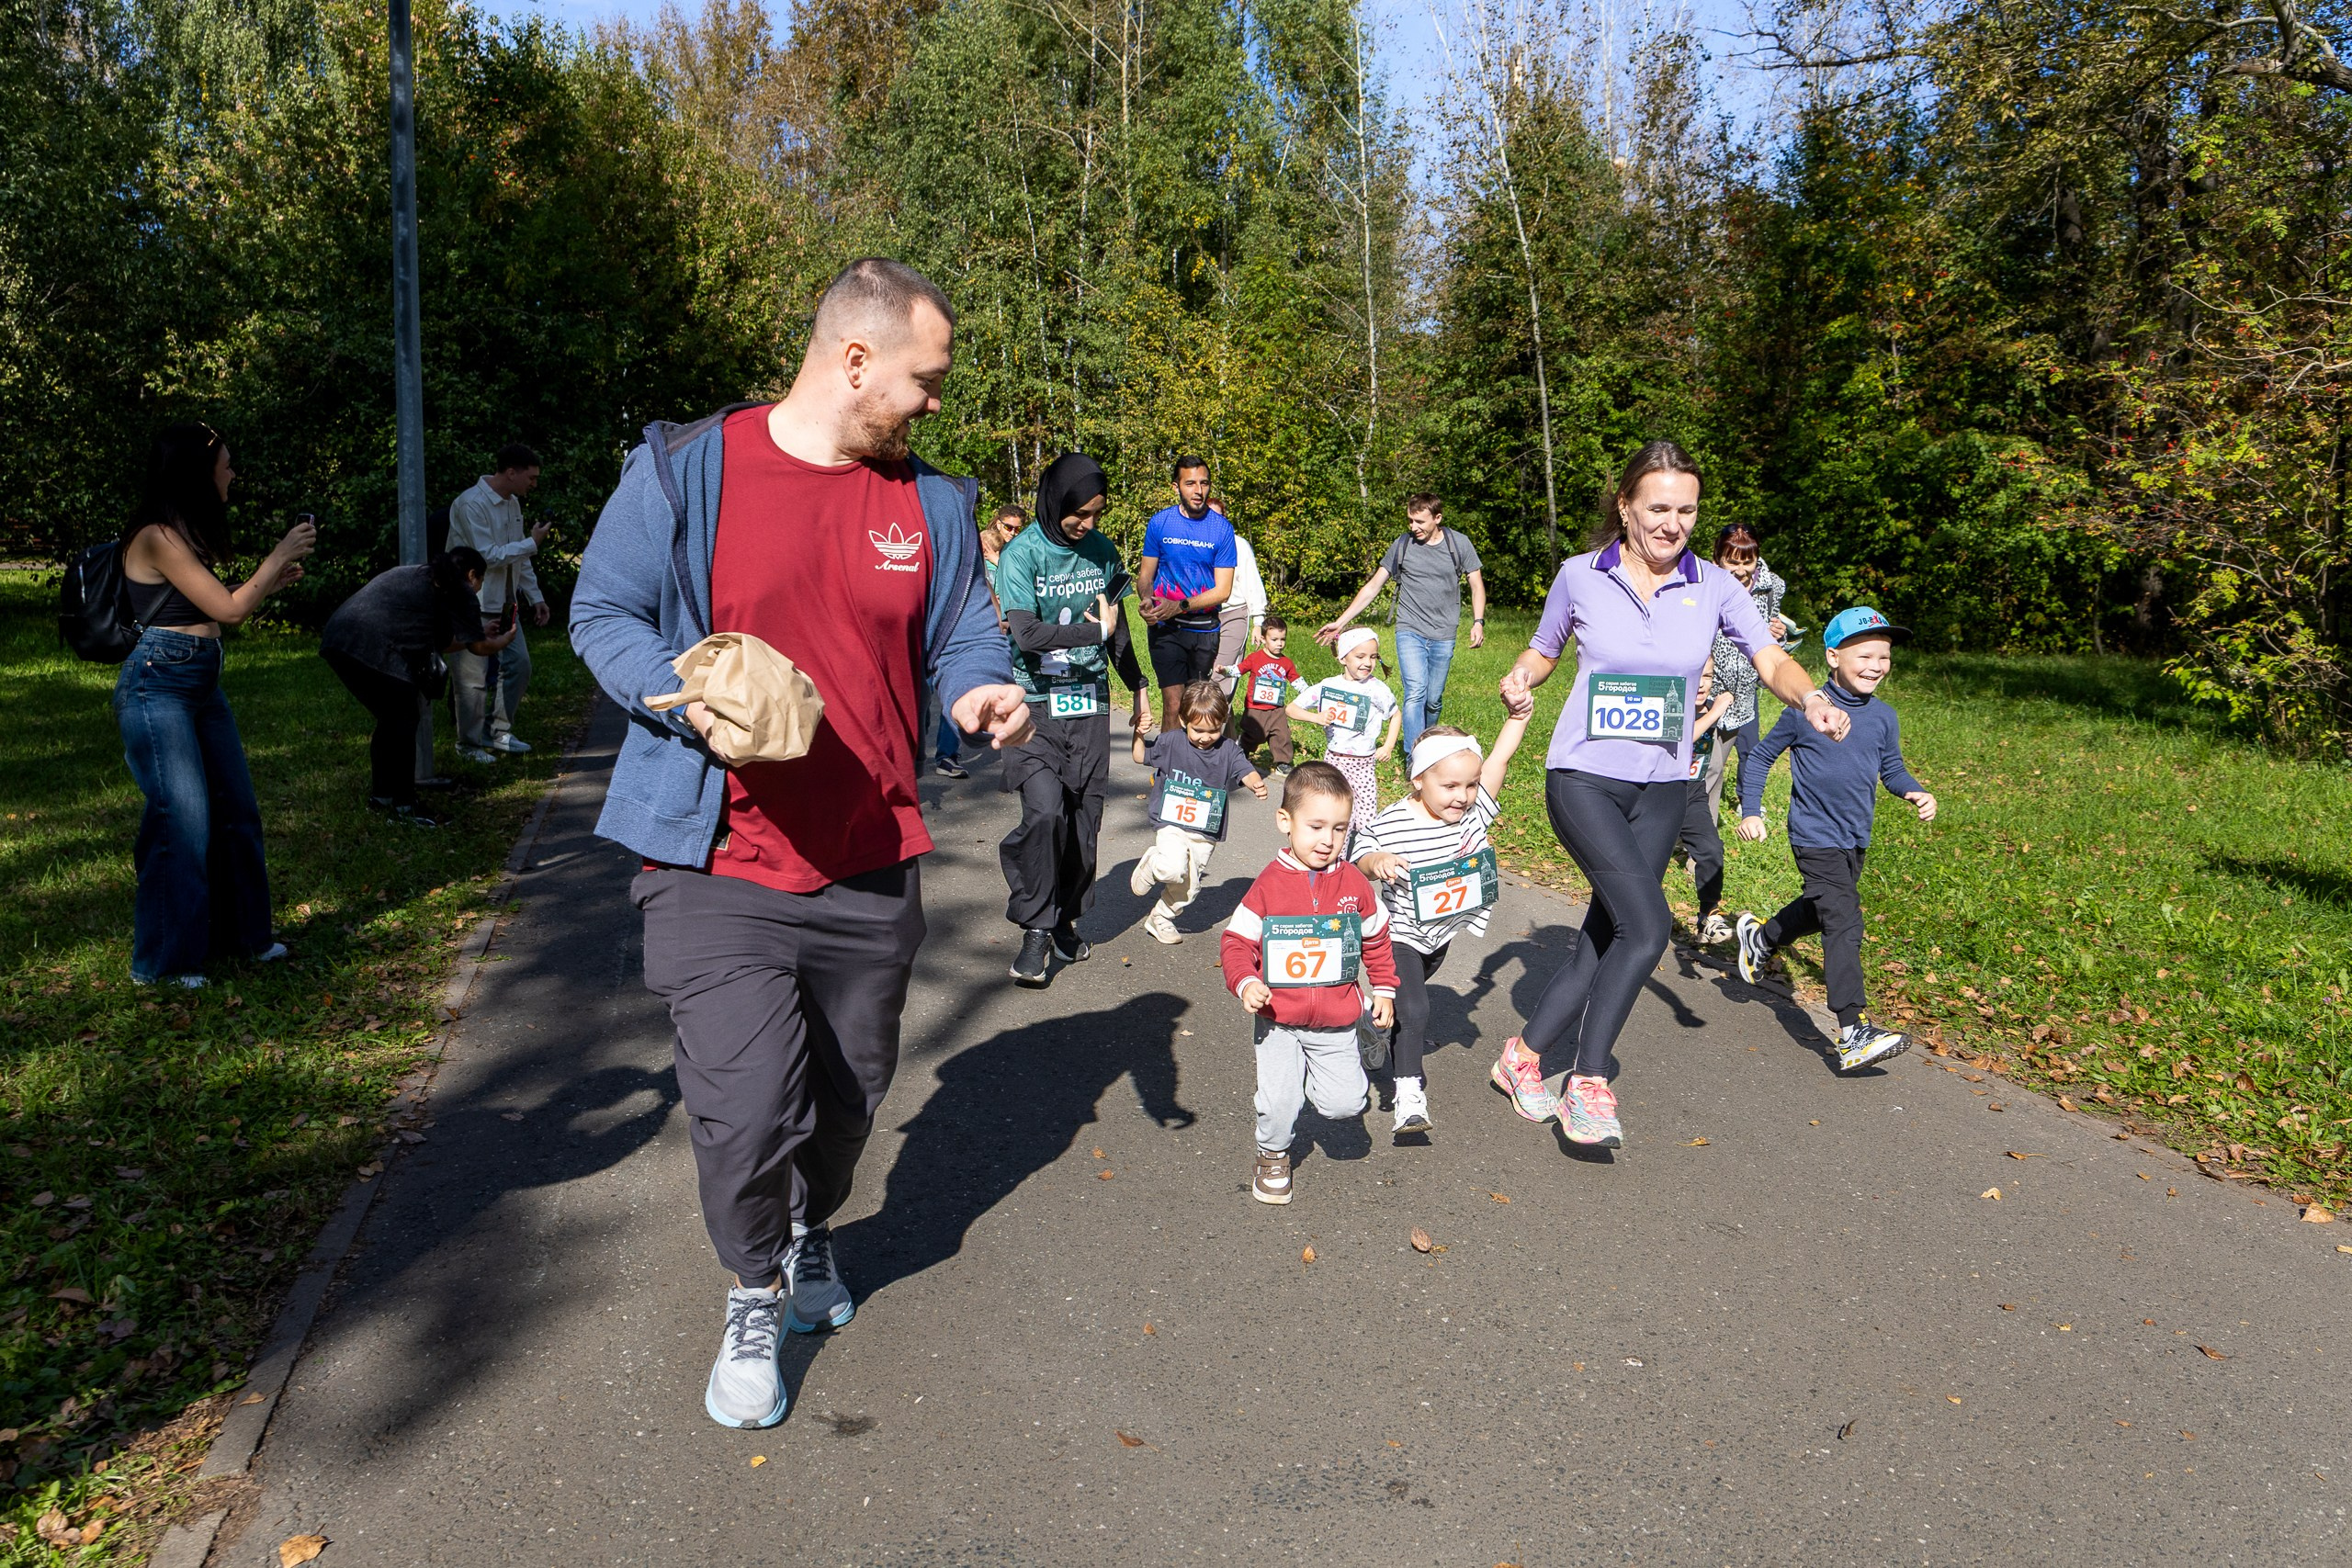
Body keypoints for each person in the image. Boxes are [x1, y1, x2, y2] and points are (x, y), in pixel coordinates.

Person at [569, 257, 1029, 1431]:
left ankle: (811, 1226)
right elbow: (602, 612)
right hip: (715, 857)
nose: (935, 401)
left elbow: (963, 634)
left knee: (848, 1095)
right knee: (743, 1105)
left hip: (870, 858)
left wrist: (979, 691)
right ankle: (751, 1288)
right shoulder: (685, 469)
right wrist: (677, 697)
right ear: (855, 359)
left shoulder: (932, 505)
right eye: (925, 378)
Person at [1490, 440, 1847, 1149]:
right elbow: (1544, 648)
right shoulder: (1580, 575)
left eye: (1686, 510)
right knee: (1649, 927)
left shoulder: (1714, 585)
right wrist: (1520, 676)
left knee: (1607, 934)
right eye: (1658, 508)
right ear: (1626, 505)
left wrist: (1810, 697)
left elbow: (1769, 656)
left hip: (1661, 787)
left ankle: (1522, 1057)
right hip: (1584, 778)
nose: (1673, 523)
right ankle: (1589, 1081)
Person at [114, 423, 316, 988]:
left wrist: (270, 581)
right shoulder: (156, 535)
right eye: (225, 464)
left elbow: (214, 607)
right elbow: (228, 610)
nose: (231, 473)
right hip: (159, 685)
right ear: (197, 472)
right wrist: (277, 555)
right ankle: (162, 963)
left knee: (237, 813)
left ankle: (245, 938)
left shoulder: (182, 532)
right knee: (181, 822)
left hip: (199, 683)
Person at [1735, 606, 1936, 1073]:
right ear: (1832, 657)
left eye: (1884, 657)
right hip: (1814, 834)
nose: (1876, 666)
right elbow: (1760, 758)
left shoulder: (1884, 717)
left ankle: (1761, 938)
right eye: (1865, 655)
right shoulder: (1803, 711)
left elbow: (1891, 768)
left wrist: (1914, 790)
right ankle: (1853, 1030)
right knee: (1844, 920)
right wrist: (1751, 810)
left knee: (1820, 907)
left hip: (1854, 836)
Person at [994, 452, 1149, 986]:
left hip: (1088, 704)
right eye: (1079, 513)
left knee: (1084, 823)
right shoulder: (1021, 554)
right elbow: (1026, 634)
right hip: (1033, 704)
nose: (1087, 523)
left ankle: (1064, 919)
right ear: (1055, 500)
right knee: (1045, 814)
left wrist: (1139, 688)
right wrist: (1094, 633)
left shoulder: (1102, 553)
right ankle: (1036, 927)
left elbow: (1118, 633)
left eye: (1096, 514)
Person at [1351, 690, 1534, 1137]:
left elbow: (1498, 760)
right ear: (1418, 779)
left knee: (1405, 1001)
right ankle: (1409, 1097)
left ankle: (1372, 1024)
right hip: (1397, 933)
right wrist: (1378, 862)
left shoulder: (1472, 815)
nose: (1463, 796)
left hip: (1440, 934)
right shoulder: (1394, 821)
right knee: (1415, 1008)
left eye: (1470, 786)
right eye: (1450, 786)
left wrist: (1518, 717)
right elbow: (1360, 857)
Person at [1221, 761, 1397, 1206]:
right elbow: (1236, 942)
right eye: (1315, 826)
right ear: (1286, 821)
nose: (1327, 840)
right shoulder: (1269, 885)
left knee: (1346, 1103)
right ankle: (1272, 1153)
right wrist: (1245, 982)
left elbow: (1376, 938)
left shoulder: (1354, 883)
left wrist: (1384, 989)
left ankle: (1333, 1058)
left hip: (1336, 1019)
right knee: (1279, 1101)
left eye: (1339, 829)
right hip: (1278, 1018)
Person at [320, 548, 517, 827]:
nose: (478, 588)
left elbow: (446, 642)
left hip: (338, 640)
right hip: (374, 648)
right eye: (480, 581)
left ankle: (382, 798)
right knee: (403, 720)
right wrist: (505, 640)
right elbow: (479, 648)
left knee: (390, 720)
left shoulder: (422, 576)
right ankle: (405, 806)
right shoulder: (462, 589)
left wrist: (479, 634)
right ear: (472, 575)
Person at [1317, 494, 1487, 754]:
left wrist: (1478, 622)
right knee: (1415, 693)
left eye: (1420, 522)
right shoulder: (1403, 545)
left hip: (1444, 633)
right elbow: (1373, 586)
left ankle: (1428, 741)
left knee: (1432, 700)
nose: (1413, 527)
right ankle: (1415, 757)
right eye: (1410, 521)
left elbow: (1477, 585)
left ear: (1437, 518)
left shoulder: (1459, 543)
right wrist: (1340, 622)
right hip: (1410, 630)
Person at [1126, 680, 1266, 943]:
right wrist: (1139, 734)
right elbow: (1139, 756)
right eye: (1198, 730)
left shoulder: (1228, 750)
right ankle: (1152, 864)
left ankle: (1161, 917)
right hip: (1171, 822)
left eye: (1213, 730)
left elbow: (1244, 769)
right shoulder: (1171, 742)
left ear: (1223, 723)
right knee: (1171, 868)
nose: (1205, 737)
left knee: (1189, 888)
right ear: (1183, 721)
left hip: (1205, 830)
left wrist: (1255, 783)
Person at [445, 445, 552, 763]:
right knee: (472, 680)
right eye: (531, 478)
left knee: (519, 665)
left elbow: (519, 557)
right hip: (471, 603)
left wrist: (535, 596)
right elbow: (487, 556)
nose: (534, 484)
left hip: (505, 603)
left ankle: (498, 732)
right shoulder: (471, 503)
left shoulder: (513, 503)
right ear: (511, 472)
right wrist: (531, 543)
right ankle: (469, 744)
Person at [1136, 456, 1236, 735]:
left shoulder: (1222, 529)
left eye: (1204, 483)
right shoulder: (1160, 523)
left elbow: (1223, 591)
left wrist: (1179, 605)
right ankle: (1168, 761)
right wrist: (1146, 598)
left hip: (1204, 629)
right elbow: (1145, 576)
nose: (1198, 490)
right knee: (1173, 702)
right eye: (1190, 483)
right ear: (1176, 487)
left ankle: (1195, 760)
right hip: (1166, 628)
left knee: (1195, 706)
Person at [928, 503, 1028, 780]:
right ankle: (945, 755)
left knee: (993, 697)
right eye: (1009, 527)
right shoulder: (980, 544)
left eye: (1018, 529)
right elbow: (981, 590)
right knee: (957, 692)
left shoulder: (1014, 552)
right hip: (978, 629)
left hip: (1006, 633)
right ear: (997, 523)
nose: (1013, 532)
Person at [1703, 524, 1792, 818]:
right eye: (1732, 562)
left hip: (1745, 688)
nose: (1741, 571)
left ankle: (1748, 804)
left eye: (1748, 562)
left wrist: (1779, 636)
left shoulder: (1772, 587)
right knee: (1708, 760)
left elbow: (1773, 641)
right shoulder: (1703, 583)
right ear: (1717, 559)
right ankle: (1697, 821)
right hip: (1707, 686)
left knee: (1750, 749)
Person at [1284, 626, 1399, 843]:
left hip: (1364, 763)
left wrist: (1388, 746)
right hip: (1335, 761)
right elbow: (1292, 709)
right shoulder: (1329, 686)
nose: (1368, 663)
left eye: (1373, 657)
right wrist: (1316, 717)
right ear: (1343, 658)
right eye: (1360, 656)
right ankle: (1337, 855)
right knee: (1337, 813)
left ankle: (1363, 855)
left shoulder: (1377, 689)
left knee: (1366, 819)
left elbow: (1395, 715)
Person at [1675, 661, 1736, 944]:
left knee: (1711, 849)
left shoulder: (1710, 706)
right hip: (1657, 791)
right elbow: (1682, 737)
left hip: (1692, 791)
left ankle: (1708, 914)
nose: (1701, 683)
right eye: (1696, 675)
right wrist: (1714, 713)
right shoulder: (1670, 705)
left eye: (1708, 676)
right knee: (1650, 858)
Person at [1206, 496, 1267, 701]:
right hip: (1204, 614)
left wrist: (1258, 621)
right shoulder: (1197, 544)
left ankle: (1214, 718)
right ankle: (1220, 721)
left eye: (1219, 517)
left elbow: (1252, 582)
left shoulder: (1238, 545)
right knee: (1202, 671)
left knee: (1222, 671)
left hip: (1234, 613)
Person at [1233, 615, 1301, 773]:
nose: (1280, 644)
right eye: (1275, 639)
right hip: (1255, 706)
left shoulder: (1286, 662)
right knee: (1255, 734)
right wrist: (1226, 670)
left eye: (1283, 639)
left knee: (1282, 734)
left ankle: (1283, 762)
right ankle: (1243, 748)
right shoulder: (1255, 658)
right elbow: (1240, 669)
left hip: (1277, 706)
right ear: (1263, 639)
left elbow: (1295, 679)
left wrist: (1309, 691)